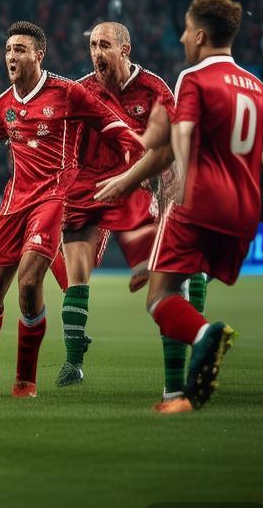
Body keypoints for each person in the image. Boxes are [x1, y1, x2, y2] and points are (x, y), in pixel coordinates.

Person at [0, 21, 141, 398]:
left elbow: (113, 126)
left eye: (19, 50)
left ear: (39, 55)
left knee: (29, 282)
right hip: (13, 204)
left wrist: (143, 164)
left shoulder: (68, 93)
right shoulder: (2, 105)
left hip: (53, 199)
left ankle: (25, 381)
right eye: (8, 50)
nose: (11, 56)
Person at [94, 0, 263, 413]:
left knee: (160, 296)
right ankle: (187, 392)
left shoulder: (194, 78)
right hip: (245, 215)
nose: (182, 38)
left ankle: (203, 339)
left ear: (200, 36)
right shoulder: (257, 87)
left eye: (185, 30)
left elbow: (168, 148)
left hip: (199, 203)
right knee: (189, 277)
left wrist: (125, 182)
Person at [53, 22, 176, 386]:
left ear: (125, 50)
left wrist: (165, 182)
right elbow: (63, 145)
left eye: (104, 45)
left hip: (133, 185)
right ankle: (73, 363)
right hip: (86, 189)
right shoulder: (81, 90)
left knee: (168, 271)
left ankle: (183, 352)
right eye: (92, 45)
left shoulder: (154, 89)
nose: (96, 52)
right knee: (75, 276)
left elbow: (171, 143)